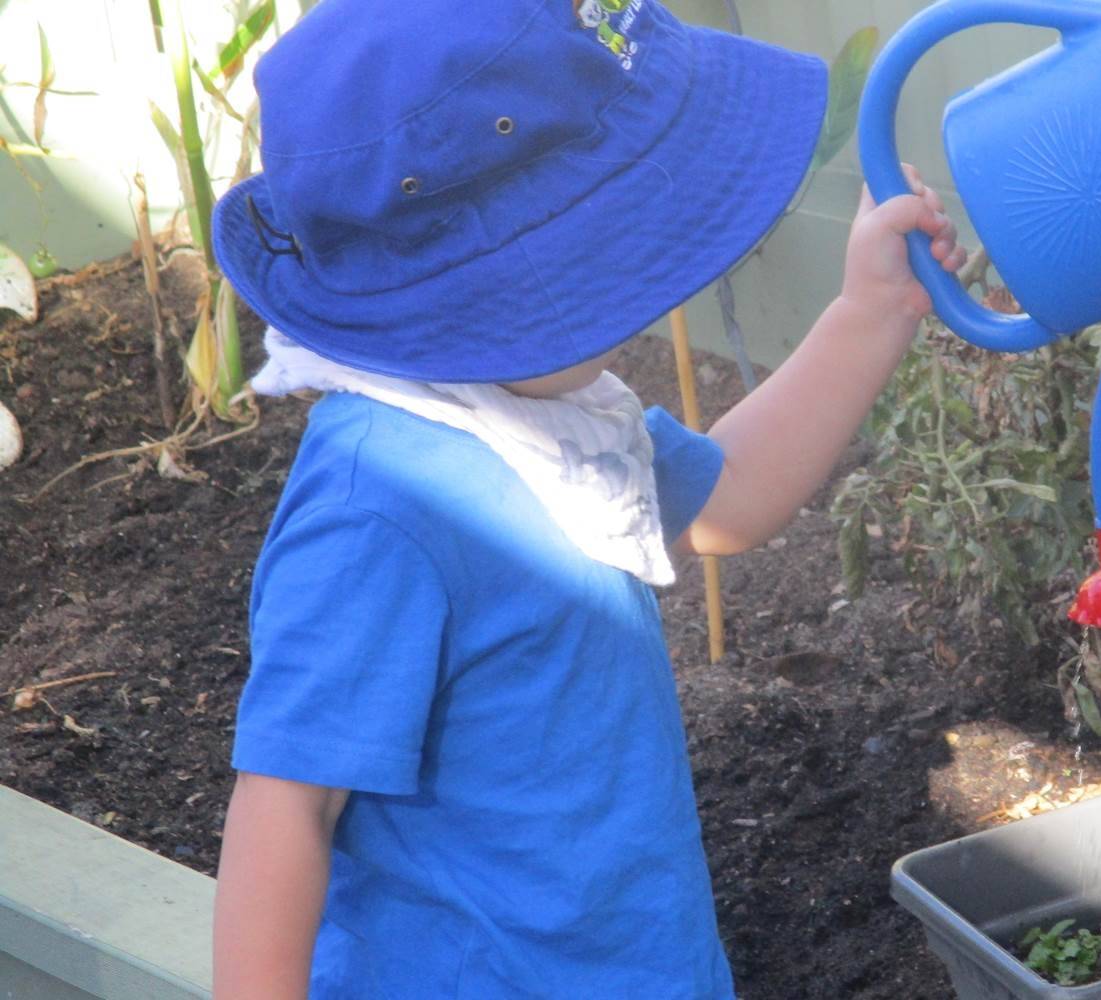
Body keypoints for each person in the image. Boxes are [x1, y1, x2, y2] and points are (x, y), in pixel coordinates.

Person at [208, 0, 965, 996]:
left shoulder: (538, 413)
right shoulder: (378, 505)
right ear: (506, 284)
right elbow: (287, 808)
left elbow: (725, 500)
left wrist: (871, 310)